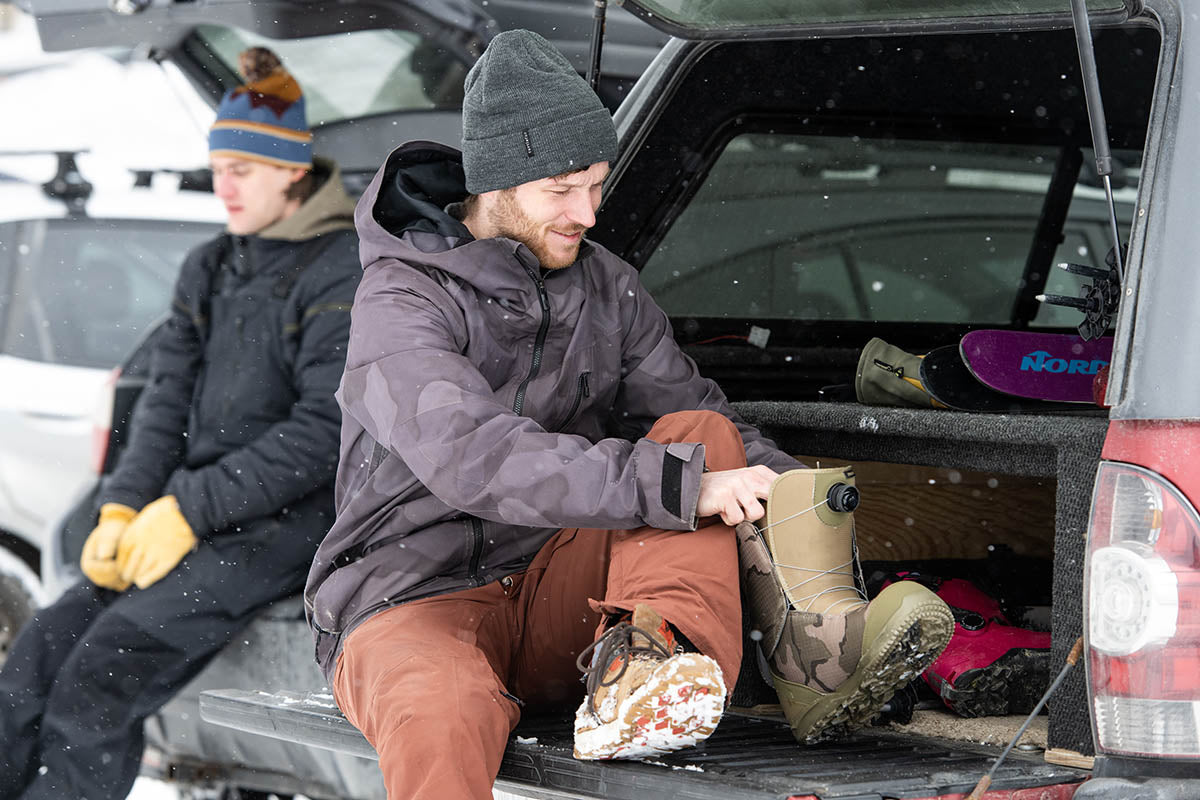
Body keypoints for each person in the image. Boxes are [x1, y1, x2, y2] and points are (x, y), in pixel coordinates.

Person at [305, 29, 949, 800]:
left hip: (557, 596)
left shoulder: (607, 287)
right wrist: (675, 486)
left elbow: (697, 418)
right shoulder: (403, 297)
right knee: (444, 711)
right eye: (562, 189)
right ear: (496, 183)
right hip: (406, 597)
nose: (589, 212)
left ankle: (652, 669)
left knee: (701, 443)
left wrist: (797, 500)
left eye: (598, 184)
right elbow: (470, 458)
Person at [0, 48, 360, 800]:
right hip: (188, 514)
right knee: (36, 655)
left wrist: (187, 508)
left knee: (102, 672)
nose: (221, 184)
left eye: (241, 169)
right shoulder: (210, 265)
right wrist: (123, 504)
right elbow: (163, 405)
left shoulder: (341, 269)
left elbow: (322, 432)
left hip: (285, 526)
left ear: (291, 170)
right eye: (217, 165)